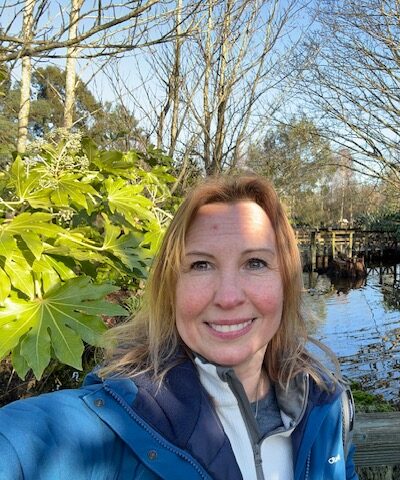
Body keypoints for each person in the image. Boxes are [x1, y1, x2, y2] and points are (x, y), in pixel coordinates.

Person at [0, 174, 357, 480]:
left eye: (255, 263)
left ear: (286, 284)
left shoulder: (324, 407)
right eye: (201, 265)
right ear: (171, 288)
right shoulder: (121, 419)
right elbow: (25, 442)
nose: (228, 297)